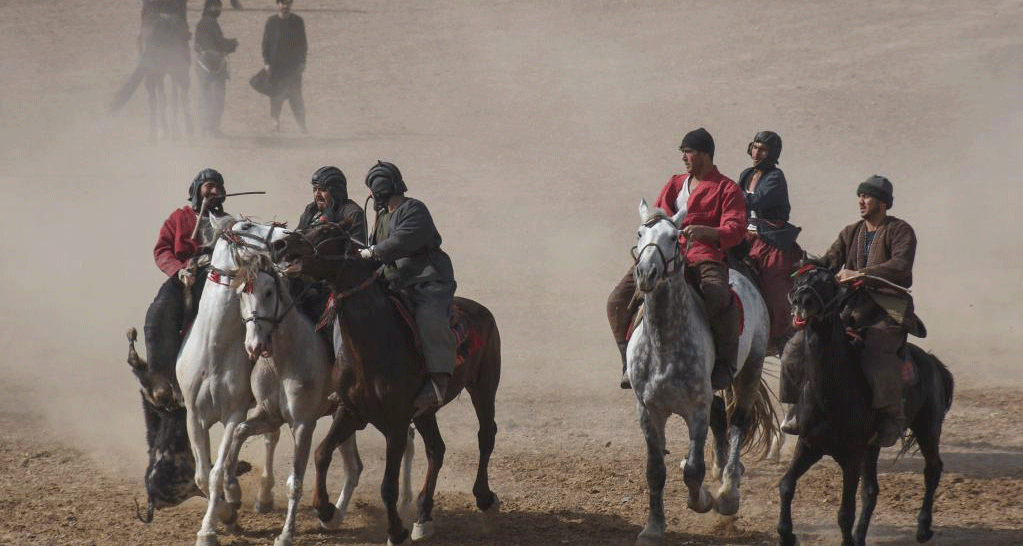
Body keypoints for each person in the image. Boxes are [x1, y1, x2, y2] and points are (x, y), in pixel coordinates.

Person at [780, 175, 919, 447]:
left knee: (876, 353)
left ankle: (891, 418)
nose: (861, 201)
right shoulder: (850, 232)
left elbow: (901, 267)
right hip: (849, 309)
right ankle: (796, 407)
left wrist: (862, 274)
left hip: (885, 312)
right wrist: (806, 264)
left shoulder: (901, 231)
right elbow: (830, 262)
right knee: (796, 348)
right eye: (860, 196)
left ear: (883, 202)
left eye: (867, 196)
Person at [607, 128, 747, 390]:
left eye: (688, 151)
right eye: (683, 152)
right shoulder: (674, 184)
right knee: (616, 299)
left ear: (705, 154)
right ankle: (628, 363)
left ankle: (724, 364)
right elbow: (657, 216)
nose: (684, 157)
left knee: (717, 295)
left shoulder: (727, 189)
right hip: (665, 252)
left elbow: (736, 229)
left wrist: (707, 232)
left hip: (704, 255)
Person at [360, 161, 457, 415]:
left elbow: (403, 240)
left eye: (372, 189)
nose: (370, 195)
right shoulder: (381, 216)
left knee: (429, 318)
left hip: (426, 279)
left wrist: (373, 252)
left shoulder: (413, 209)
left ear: (380, 188)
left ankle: (438, 381)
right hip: (393, 280)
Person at [144, 169, 230, 405]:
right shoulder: (178, 218)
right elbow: (162, 250)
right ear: (196, 190)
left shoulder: (229, 222)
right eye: (209, 186)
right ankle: (161, 376)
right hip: (185, 277)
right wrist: (178, 270)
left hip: (219, 280)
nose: (214, 191)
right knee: (158, 313)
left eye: (218, 187)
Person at [736, 131, 802, 353]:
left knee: (772, 278)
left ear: (772, 153)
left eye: (762, 149)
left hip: (769, 240)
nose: (756, 153)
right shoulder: (746, 174)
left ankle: (782, 331)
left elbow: (755, 200)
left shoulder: (776, 177)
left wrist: (727, 193)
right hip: (744, 235)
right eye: (754, 147)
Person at [293, 166, 368, 340]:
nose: (317, 194)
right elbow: (298, 237)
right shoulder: (311, 211)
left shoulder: (352, 212)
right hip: (305, 276)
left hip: (334, 282)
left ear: (336, 191)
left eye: (323, 190)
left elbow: (355, 252)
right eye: (315, 189)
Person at [261, 0, 307, 133]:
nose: (284, 6)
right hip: (276, 67)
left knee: (296, 97)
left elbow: (303, 44)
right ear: (277, 4)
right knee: (276, 96)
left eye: (287, 3)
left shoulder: (298, 21)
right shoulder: (271, 22)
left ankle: (302, 126)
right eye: (282, 3)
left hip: (293, 67)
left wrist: (302, 62)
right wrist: (266, 63)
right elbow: (265, 43)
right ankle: (275, 123)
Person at [194, 0, 238, 137]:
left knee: (206, 97)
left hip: (205, 65)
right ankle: (211, 129)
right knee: (216, 98)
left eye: (218, 6)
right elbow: (214, 45)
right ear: (207, 8)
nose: (217, 9)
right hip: (212, 66)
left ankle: (205, 128)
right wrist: (232, 44)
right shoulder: (207, 23)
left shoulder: (206, 22)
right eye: (214, 6)